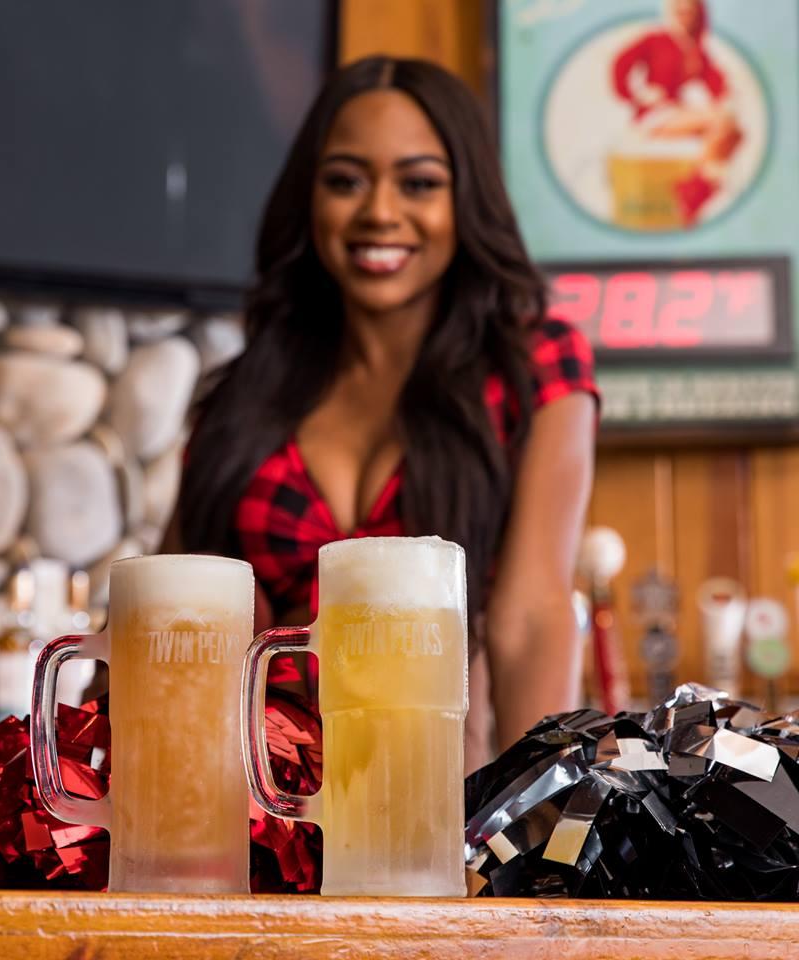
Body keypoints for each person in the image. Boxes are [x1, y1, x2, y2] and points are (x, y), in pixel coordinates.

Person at [163, 56, 599, 774]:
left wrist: (536, 842)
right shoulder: (241, 395)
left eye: (419, 183)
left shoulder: (533, 367)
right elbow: (164, 618)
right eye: (345, 181)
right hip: (245, 817)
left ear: (468, 201)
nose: (380, 212)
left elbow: (529, 619)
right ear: (309, 200)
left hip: (422, 820)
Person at [611, 0, 743, 225]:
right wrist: (635, 94)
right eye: (679, 11)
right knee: (720, 120)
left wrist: (725, 96)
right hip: (654, 116)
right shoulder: (656, 40)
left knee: (734, 132)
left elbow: (715, 79)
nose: (684, 16)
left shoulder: (694, 48)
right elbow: (620, 63)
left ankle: (696, 187)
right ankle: (696, 191)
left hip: (677, 112)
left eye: (689, 12)